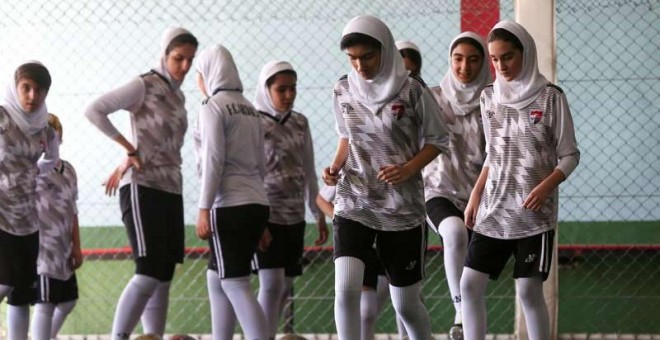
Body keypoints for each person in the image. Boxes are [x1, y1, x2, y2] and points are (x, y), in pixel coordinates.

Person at [322, 15, 449, 340]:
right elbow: (345, 137)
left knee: (406, 304)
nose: (360, 65)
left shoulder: (412, 90)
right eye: (352, 58)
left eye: (367, 56)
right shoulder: (342, 89)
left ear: (385, 51)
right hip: (355, 201)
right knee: (346, 290)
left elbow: (439, 140)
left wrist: (408, 169)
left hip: (401, 209)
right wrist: (335, 167)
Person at [461, 21, 580, 340]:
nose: (501, 65)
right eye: (495, 59)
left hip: (533, 217)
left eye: (508, 57)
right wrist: (475, 196)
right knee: (469, 285)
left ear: (525, 53)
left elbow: (570, 155)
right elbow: (493, 155)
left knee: (528, 291)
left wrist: (546, 186)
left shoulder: (551, 98)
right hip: (493, 210)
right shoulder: (488, 98)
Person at [85, 27, 198, 339]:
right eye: (178, 58)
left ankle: (153, 336)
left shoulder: (179, 95)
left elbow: (161, 142)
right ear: (164, 55)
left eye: (190, 59)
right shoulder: (144, 84)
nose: (185, 66)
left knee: (163, 275)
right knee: (148, 271)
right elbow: (95, 110)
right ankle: (118, 336)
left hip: (171, 187)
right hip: (142, 186)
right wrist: (128, 149)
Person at [194, 44, 269, 340]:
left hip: (229, 205)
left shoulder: (212, 106)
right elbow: (262, 164)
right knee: (216, 277)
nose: (198, 82)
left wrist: (204, 208)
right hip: (255, 203)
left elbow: (214, 159)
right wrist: (261, 220)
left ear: (209, 74)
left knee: (235, 283)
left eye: (199, 74)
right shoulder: (250, 107)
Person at [252, 60, 328, 339]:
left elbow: (309, 170)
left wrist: (317, 212)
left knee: (284, 285)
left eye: (292, 88)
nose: (288, 95)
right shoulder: (254, 122)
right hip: (267, 216)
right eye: (281, 89)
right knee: (270, 284)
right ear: (266, 89)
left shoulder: (300, 122)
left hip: (294, 215)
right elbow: (250, 173)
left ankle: (267, 333)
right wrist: (258, 221)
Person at [422, 32, 491, 340]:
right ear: (450, 60)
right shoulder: (433, 98)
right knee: (453, 232)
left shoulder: (493, 99)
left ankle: (469, 323)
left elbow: (498, 152)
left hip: (481, 196)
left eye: (474, 59)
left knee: (476, 273)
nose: (465, 66)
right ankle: (459, 310)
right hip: (437, 190)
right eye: (458, 59)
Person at [0, 61, 59, 340]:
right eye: (26, 88)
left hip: (27, 218)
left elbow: (53, 159)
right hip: (1, 214)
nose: (32, 96)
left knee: (21, 294)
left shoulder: (45, 128)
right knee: (3, 283)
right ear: (15, 87)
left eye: (39, 90)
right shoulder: (2, 117)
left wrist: (34, 172)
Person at [316, 185, 405, 340]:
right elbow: (321, 198)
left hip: (394, 235)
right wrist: (342, 222)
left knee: (405, 302)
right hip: (362, 245)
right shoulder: (351, 163)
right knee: (367, 313)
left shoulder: (400, 163)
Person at [30, 114, 83, 340]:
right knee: (46, 301)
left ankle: (45, 336)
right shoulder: (33, 170)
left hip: (63, 247)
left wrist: (77, 246)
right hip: (42, 248)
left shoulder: (69, 170)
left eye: (53, 137)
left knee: (68, 299)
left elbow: (73, 211)